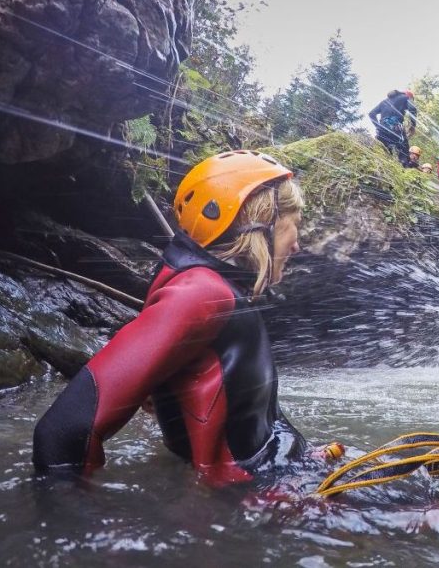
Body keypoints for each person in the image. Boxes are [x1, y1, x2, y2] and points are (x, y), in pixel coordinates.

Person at [32, 150, 313, 486]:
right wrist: (79, 526)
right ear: (260, 220)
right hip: (258, 499)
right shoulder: (203, 294)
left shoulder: (214, 289)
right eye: (294, 223)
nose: (297, 244)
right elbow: (60, 433)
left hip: (281, 475)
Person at [368, 90, 417, 166]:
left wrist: (378, 127)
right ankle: (405, 167)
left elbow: (371, 114)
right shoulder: (406, 97)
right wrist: (413, 125)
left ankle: (382, 166)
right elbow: (413, 109)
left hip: (382, 131)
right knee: (404, 150)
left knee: (384, 151)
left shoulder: (384, 102)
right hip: (395, 128)